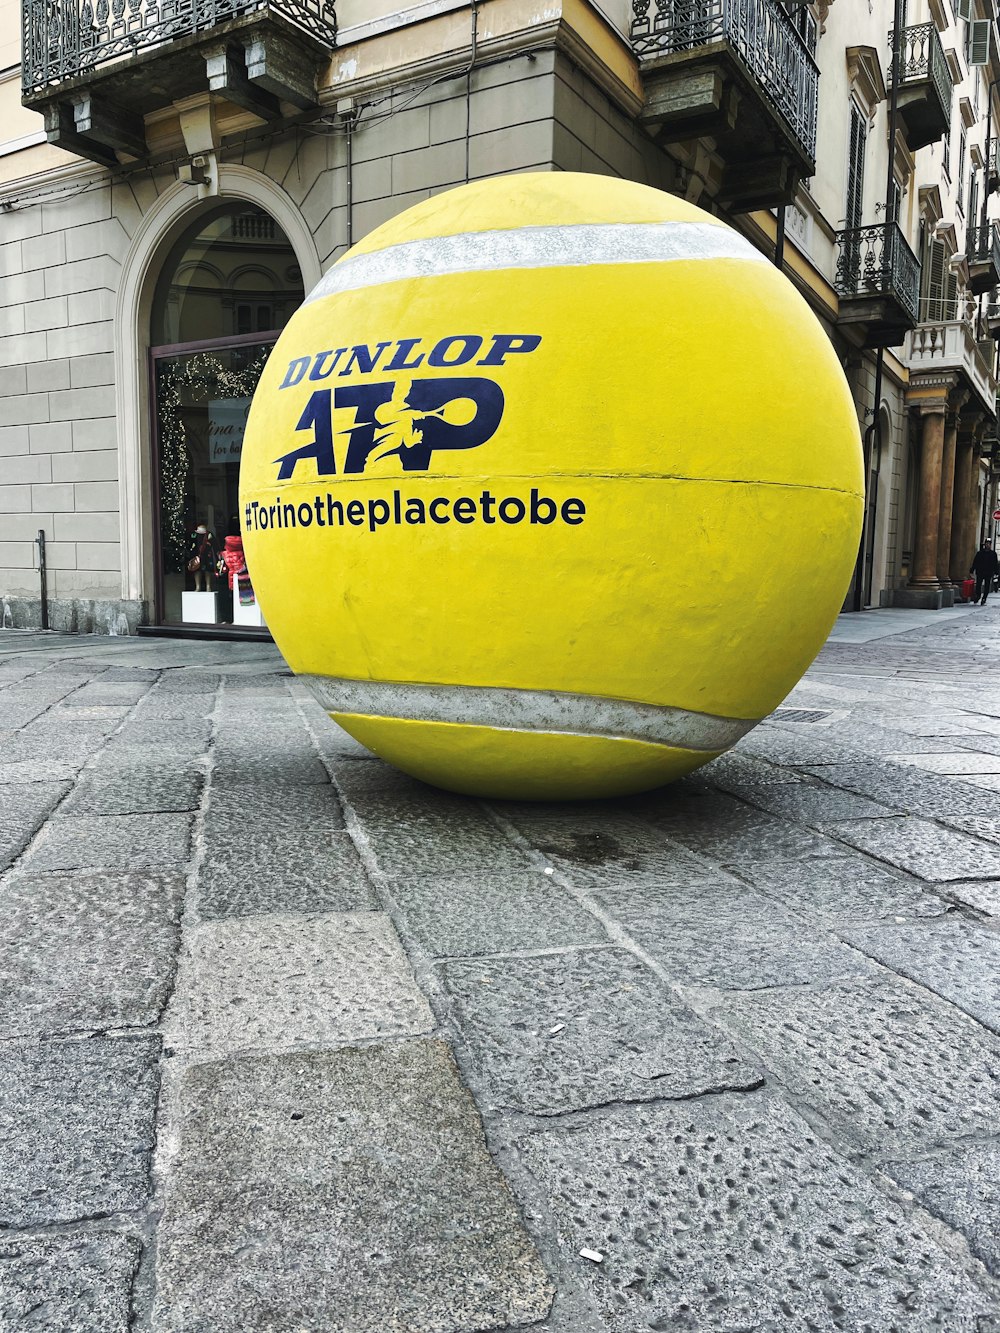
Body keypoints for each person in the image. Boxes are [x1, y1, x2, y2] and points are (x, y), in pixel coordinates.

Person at [185, 523, 216, 592]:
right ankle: (200, 586)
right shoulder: (195, 534)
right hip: (199, 555)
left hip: (205, 555)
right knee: (198, 570)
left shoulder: (208, 534)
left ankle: (206, 586)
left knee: (205, 570)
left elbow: (214, 544)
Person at [970, 539, 999, 605]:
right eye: (986, 543)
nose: (987, 545)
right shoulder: (980, 553)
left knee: (987, 586)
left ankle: (984, 598)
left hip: (988, 573)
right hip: (980, 572)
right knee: (978, 585)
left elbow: (995, 564)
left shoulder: (993, 554)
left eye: (989, 543)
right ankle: (978, 596)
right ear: (985, 544)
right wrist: (972, 570)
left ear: (990, 545)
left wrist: (996, 573)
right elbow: (975, 562)